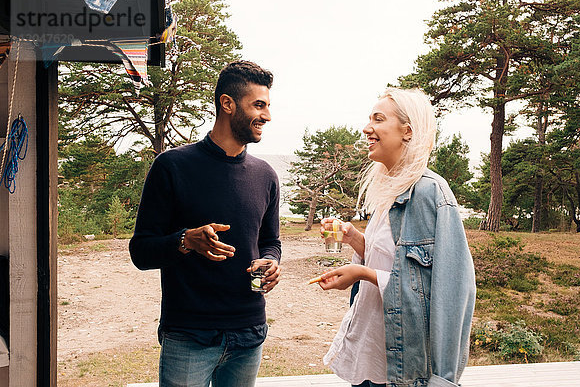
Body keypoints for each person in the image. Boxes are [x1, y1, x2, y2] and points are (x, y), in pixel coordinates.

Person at [129, 60, 282, 387]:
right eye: (259, 105)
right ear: (227, 104)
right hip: (189, 335)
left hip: (249, 332)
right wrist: (185, 241)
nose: (267, 116)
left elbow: (271, 240)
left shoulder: (266, 175)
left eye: (268, 106)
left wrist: (271, 261)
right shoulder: (171, 167)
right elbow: (140, 252)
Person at [318, 88, 476, 387]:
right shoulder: (390, 188)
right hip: (372, 351)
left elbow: (451, 291)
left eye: (378, 119)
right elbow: (396, 262)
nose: (367, 128)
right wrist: (354, 238)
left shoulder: (430, 193)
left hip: (403, 367)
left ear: (407, 131)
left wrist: (444, 379)